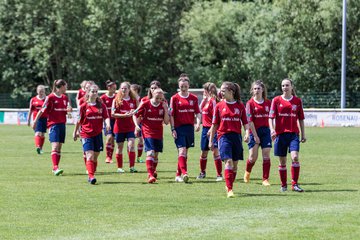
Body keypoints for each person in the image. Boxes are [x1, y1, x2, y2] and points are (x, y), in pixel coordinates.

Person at [209, 81, 254, 198]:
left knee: (234, 165)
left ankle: (229, 184)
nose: (221, 92)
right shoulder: (218, 106)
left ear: (231, 92)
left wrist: (247, 134)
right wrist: (210, 141)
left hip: (236, 137)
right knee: (228, 162)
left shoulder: (240, 106)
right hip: (223, 136)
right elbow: (214, 124)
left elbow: (245, 123)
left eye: (223, 90)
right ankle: (229, 189)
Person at [269, 78, 306, 192]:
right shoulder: (276, 100)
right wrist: (272, 130)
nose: (285, 87)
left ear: (292, 87)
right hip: (280, 135)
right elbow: (271, 117)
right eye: (283, 85)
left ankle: (294, 184)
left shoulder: (297, 101)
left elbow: (301, 119)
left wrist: (303, 134)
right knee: (282, 161)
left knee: (295, 157)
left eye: (287, 85)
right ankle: (283, 185)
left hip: (293, 134)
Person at [32, 79, 72, 176]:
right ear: (61, 87)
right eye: (65, 86)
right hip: (53, 124)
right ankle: (55, 167)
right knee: (54, 146)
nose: (66, 88)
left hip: (62, 124)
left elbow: (67, 110)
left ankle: (56, 166)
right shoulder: (50, 97)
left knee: (59, 147)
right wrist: (35, 121)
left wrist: (69, 111)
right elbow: (42, 110)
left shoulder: (65, 98)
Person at [73, 84, 110, 184]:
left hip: (97, 134)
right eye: (92, 91)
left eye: (96, 92)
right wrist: (75, 131)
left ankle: (92, 171)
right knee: (89, 155)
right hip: (86, 134)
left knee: (95, 155)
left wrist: (107, 124)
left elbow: (106, 117)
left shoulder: (101, 105)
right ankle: (91, 176)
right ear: (88, 93)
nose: (94, 93)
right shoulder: (83, 106)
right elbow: (78, 120)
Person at [169, 73, 201, 183]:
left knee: (184, 153)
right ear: (179, 86)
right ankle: (185, 173)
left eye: (185, 86)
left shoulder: (194, 98)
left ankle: (178, 175)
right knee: (182, 151)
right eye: (181, 86)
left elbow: (197, 113)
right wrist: (173, 129)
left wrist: (197, 123)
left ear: (188, 86)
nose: (183, 88)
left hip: (189, 128)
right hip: (178, 128)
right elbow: (171, 115)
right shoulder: (174, 98)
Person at [134, 88, 169, 183]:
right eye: (157, 97)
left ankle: (152, 171)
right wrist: (136, 126)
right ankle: (150, 175)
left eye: (160, 98)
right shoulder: (145, 104)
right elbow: (135, 114)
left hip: (158, 133)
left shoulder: (163, 105)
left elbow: (166, 122)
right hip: (147, 131)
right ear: (152, 94)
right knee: (150, 152)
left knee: (156, 155)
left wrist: (166, 109)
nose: (159, 100)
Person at [244, 80, 272, 186]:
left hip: (265, 131)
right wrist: (255, 136)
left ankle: (265, 179)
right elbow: (250, 121)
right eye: (255, 88)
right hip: (253, 132)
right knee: (252, 157)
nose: (256, 90)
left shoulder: (268, 103)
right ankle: (247, 172)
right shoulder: (250, 103)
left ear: (262, 89)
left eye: (258, 88)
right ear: (252, 90)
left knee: (266, 155)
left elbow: (272, 118)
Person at [196, 82, 223, 181]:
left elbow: (216, 117)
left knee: (215, 152)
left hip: (213, 129)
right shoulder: (206, 101)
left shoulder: (214, 101)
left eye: (204, 89)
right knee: (203, 152)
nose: (203, 91)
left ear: (208, 90)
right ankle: (202, 172)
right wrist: (203, 100)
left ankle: (219, 175)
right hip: (205, 129)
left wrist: (212, 129)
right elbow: (199, 110)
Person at [112, 81, 139, 173]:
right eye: (122, 88)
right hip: (119, 127)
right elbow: (113, 114)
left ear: (129, 89)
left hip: (130, 127)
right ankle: (119, 167)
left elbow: (136, 114)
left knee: (131, 145)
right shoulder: (116, 100)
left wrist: (136, 125)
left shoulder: (133, 100)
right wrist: (124, 115)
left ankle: (132, 167)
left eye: (125, 88)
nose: (123, 90)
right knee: (120, 147)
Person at [27, 85, 48, 154]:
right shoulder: (33, 99)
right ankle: (38, 147)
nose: (41, 93)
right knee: (37, 133)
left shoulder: (47, 99)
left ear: (44, 91)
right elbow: (30, 110)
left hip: (45, 118)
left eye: (42, 91)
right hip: (36, 119)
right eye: (39, 91)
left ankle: (40, 148)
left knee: (42, 134)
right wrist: (28, 120)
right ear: (37, 91)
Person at [101, 80, 117, 164]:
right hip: (107, 120)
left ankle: (110, 156)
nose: (115, 90)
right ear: (108, 88)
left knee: (113, 139)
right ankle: (107, 157)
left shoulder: (117, 97)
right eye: (113, 88)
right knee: (109, 137)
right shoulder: (103, 98)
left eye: (115, 88)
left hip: (116, 120)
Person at [130, 84, 144, 163]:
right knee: (131, 141)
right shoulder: (130, 99)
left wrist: (137, 125)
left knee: (140, 140)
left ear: (136, 91)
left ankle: (139, 157)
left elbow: (139, 114)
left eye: (131, 89)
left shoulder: (141, 100)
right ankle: (131, 157)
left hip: (139, 122)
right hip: (130, 122)